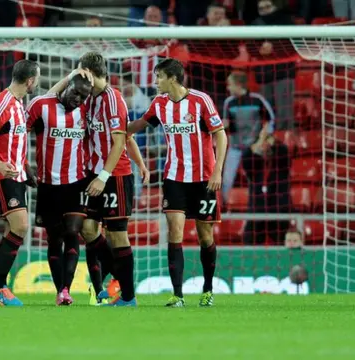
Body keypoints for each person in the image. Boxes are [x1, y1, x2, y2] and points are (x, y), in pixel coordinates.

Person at [128, 58, 228, 307]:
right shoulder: (159, 103)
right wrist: (115, 129)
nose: (155, 81)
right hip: (174, 177)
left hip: (204, 179)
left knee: (205, 235)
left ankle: (207, 289)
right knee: (175, 232)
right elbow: (139, 125)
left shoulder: (200, 100)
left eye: (159, 76)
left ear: (172, 78)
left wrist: (217, 172)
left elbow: (221, 136)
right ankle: (178, 294)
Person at [72, 52, 146, 307]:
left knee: (117, 235)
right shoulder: (90, 99)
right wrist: (142, 163)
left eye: (81, 73)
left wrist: (104, 177)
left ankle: (128, 296)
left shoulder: (113, 100)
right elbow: (127, 136)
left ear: (90, 73)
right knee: (88, 228)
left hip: (114, 176)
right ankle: (119, 275)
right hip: (94, 174)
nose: (79, 78)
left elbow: (118, 142)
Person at [0, 59, 40, 306]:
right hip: (1, 176)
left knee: (15, 228)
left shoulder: (17, 103)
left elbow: (12, 142)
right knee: (21, 226)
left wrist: (25, 167)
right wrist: (1, 164)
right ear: (31, 81)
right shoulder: (2, 103)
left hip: (16, 175)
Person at [26, 74, 93, 305]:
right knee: (54, 240)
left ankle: (66, 289)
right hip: (47, 185)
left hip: (76, 182)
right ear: (66, 86)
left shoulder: (86, 111)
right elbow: (16, 135)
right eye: (75, 93)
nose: (78, 99)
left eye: (83, 97)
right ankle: (59, 290)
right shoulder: (41, 106)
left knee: (73, 233)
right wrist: (25, 166)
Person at [222, 72, 275, 204]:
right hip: (235, 147)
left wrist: (261, 141)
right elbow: (226, 123)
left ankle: (258, 204)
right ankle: (223, 206)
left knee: (256, 179)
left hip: (253, 148)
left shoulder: (257, 100)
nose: (228, 88)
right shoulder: (229, 103)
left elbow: (270, 120)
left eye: (230, 85)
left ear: (238, 85)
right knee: (226, 180)